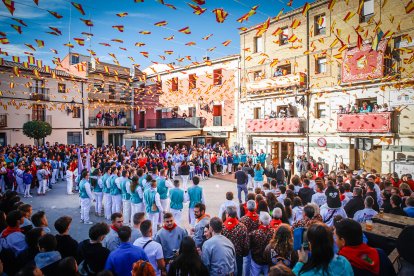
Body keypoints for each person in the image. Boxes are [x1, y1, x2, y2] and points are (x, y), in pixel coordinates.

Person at [222, 206, 249, 276]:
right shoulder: (242, 227)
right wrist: (244, 254)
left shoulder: (222, 227)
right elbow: (246, 244)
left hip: (225, 257)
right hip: (238, 256)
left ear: (227, 214)